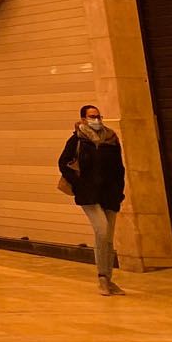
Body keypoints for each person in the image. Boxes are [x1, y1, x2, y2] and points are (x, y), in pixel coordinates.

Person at [60, 104, 128, 295]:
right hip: (88, 194)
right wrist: (78, 183)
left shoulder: (111, 139)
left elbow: (118, 167)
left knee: (108, 239)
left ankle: (108, 279)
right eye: (91, 116)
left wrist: (119, 190)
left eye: (98, 116)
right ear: (83, 119)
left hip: (109, 194)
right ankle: (101, 278)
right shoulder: (77, 140)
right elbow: (63, 163)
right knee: (102, 230)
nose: (96, 120)